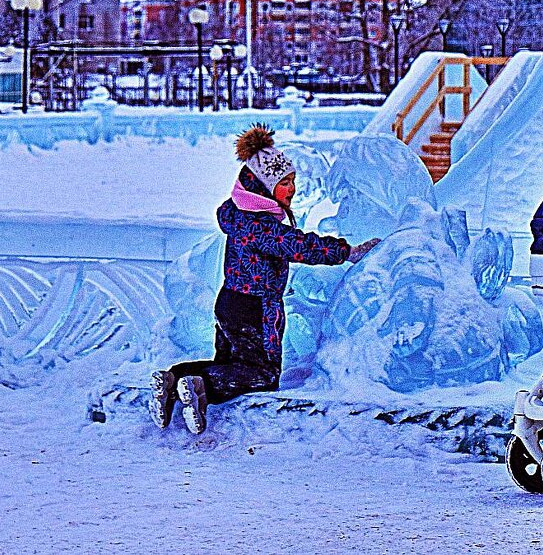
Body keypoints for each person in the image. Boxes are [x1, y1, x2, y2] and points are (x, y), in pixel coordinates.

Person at [150, 124, 379, 434]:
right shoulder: (262, 227)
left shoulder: (239, 215)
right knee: (262, 374)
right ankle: (199, 385)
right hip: (255, 309)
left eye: (293, 181)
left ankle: (175, 379)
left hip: (229, 302)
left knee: (231, 365)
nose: (292, 189)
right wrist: (347, 251)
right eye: (284, 183)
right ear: (262, 187)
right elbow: (300, 245)